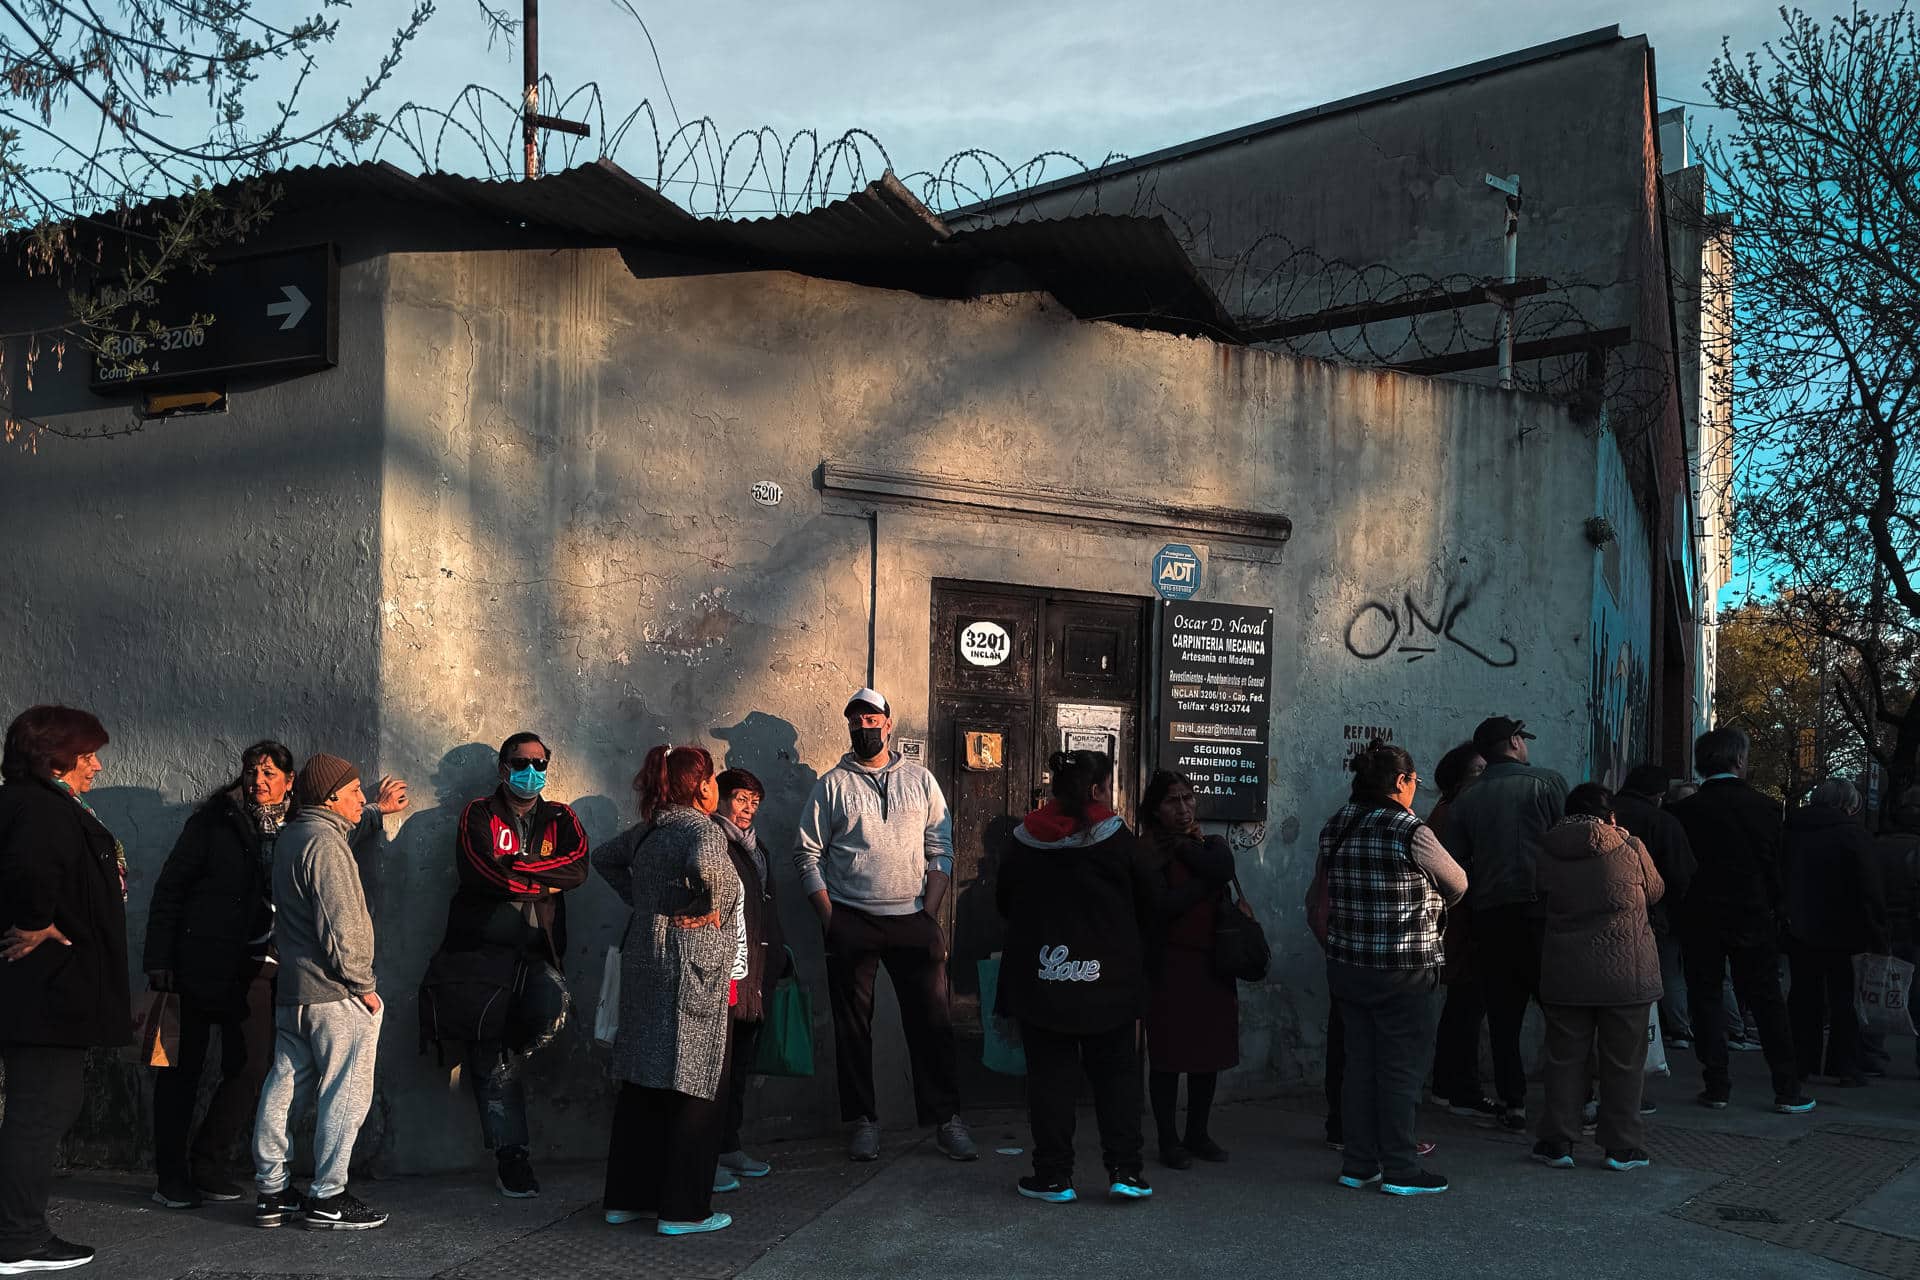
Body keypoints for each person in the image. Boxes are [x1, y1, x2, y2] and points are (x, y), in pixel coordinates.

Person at [794, 689, 974, 1163]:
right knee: (854, 1030)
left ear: (889, 724)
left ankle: (946, 1121)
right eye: (856, 721)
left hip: (912, 918)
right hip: (852, 919)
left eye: (872, 719)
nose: (864, 728)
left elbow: (942, 846)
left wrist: (929, 913)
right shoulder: (831, 785)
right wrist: (832, 919)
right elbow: (807, 853)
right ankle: (863, 1122)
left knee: (932, 1025)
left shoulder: (920, 780)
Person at [252, 753, 410, 1232]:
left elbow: (344, 834)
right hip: (336, 995)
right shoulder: (325, 844)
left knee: (282, 1088)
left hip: (293, 993)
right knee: (345, 1093)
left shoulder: (293, 836)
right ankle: (328, 1198)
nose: (362, 799)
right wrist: (364, 985)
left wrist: (378, 813)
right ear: (330, 798)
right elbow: (342, 923)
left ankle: (271, 1192)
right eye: (355, 792)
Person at [594, 744, 745, 1237]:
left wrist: (643, 904)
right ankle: (683, 1210)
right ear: (701, 786)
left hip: (645, 953)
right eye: (714, 779)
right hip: (691, 960)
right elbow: (707, 867)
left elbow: (605, 859)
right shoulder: (702, 828)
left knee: (642, 1074)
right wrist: (710, 903)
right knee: (694, 1076)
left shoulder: (651, 829)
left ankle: (627, 1199)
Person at [997, 750, 1159, 1204]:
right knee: (1117, 1077)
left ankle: (1053, 1176)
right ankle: (1125, 1171)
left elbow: (1005, 901)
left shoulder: (1026, 838)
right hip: (1109, 983)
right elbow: (1151, 903)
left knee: (1050, 1080)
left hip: (1044, 979)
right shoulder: (1119, 839)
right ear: (1096, 790)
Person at [0, 706, 128, 1274]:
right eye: (87, 754)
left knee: (48, 1104)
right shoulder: (43, 809)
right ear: (57, 756)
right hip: (46, 990)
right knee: (39, 1108)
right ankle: (17, 1237)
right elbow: (31, 870)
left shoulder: (35, 803)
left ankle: (17, 1229)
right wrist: (35, 918)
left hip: (48, 990)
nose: (96, 765)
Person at [144, 740, 295, 1210]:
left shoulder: (297, 826)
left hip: (257, 970)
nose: (259, 781)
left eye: (270, 773)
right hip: (198, 964)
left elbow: (341, 831)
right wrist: (159, 960)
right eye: (252, 771)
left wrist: (374, 809)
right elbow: (171, 889)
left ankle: (208, 1163)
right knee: (180, 1072)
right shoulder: (214, 821)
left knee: (249, 1068)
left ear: (289, 782)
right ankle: (170, 1176)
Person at [439, 732, 589, 1197]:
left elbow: (578, 866)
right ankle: (511, 1156)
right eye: (522, 762)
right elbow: (479, 869)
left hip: (539, 952)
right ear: (503, 768)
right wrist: (540, 883)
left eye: (540, 762)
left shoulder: (560, 816)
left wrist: (516, 868)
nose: (532, 771)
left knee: (546, 1019)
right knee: (491, 1055)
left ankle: (507, 1080)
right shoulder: (479, 813)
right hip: (483, 957)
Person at [1321, 741, 1466, 1197]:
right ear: (1401, 782)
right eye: (1414, 782)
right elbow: (1458, 882)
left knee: (1359, 1066)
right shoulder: (1409, 829)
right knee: (1401, 1070)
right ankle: (1401, 1167)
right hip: (1404, 966)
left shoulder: (1337, 824)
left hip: (1348, 963)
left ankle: (1359, 1163)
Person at [1668, 727, 1816, 1114]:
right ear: (1738, 760)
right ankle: (1786, 1087)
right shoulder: (1764, 808)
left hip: (1699, 916)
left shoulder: (1683, 812)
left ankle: (1716, 1084)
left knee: (1705, 996)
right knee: (1767, 1001)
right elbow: (1775, 866)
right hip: (1751, 914)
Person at [1443, 715, 1569, 1131]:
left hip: (1491, 916)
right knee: (1560, 1009)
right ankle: (1571, 1099)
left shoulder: (1465, 800)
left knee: (1502, 1014)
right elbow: (1569, 842)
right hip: (1542, 912)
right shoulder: (1548, 784)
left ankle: (1512, 1101)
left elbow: (1455, 866)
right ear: (1514, 742)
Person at [1531, 784, 1664, 1172]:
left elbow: (1538, 892)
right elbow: (1655, 892)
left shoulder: (1548, 848)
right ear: (1610, 815)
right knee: (1623, 1062)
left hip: (1566, 970)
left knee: (1564, 1059)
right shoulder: (1630, 847)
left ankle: (1557, 1142)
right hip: (1627, 973)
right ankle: (1621, 1147)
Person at [1140, 770, 1238, 1168]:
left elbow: (1224, 866)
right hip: (1168, 963)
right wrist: (1207, 881)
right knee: (1167, 1056)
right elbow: (1160, 907)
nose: (1182, 808)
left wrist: (1205, 869)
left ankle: (1199, 1132)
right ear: (1155, 809)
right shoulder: (1148, 851)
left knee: (1207, 1052)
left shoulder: (1208, 844)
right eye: (1172, 801)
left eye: (1188, 798)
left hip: (1212, 962)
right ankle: (1168, 1140)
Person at [1782, 778, 1886, 1088]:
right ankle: (1845, 1065)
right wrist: (1879, 934)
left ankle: (1802, 1061)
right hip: (1846, 929)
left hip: (1800, 927)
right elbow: (1869, 889)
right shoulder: (1854, 836)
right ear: (1849, 804)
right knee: (1845, 999)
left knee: (1803, 996)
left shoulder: (1791, 832)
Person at [712, 767, 786, 1185]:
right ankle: (709, 1156)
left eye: (754, 802)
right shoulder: (713, 841)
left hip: (756, 974)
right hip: (726, 972)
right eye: (740, 798)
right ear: (719, 797)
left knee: (740, 1064)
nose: (747, 809)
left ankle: (730, 1146)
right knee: (716, 1070)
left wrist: (779, 954)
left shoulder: (759, 850)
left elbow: (765, 908)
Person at [1426, 742, 1494, 1119]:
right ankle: (1459, 1087)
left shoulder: (1451, 811)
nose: (1486, 779)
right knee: (1467, 1007)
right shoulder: (1452, 814)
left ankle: (1448, 1085)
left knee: (1464, 1007)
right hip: (1460, 924)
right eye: (1478, 772)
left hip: (1460, 924)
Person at [1613, 764, 1697, 1050]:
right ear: (1658, 794)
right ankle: (1674, 1030)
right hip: (1654, 912)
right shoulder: (1663, 822)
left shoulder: (1606, 814)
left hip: (1607, 912)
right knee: (1666, 971)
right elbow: (1680, 873)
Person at [1868, 787, 1920, 1073]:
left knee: (1877, 992)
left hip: (1881, 927)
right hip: (1913, 929)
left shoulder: (1878, 844)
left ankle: (1871, 1053)